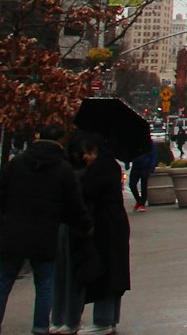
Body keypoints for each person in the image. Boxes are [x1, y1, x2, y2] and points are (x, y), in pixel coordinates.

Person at [0, 124, 89, 335]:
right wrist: (84, 224)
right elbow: (74, 203)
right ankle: (40, 327)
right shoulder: (62, 168)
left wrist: (10, 212)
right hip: (45, 232)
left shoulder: (17, 163)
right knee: (43, 285)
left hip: (14, 231)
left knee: (3, 282)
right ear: (60, 141)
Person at [55, 133, 131, 335]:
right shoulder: (110, 165)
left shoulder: (101, 168)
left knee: (105, 271)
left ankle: (103, 321)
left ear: (95, 151)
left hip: (106, 226)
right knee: (112, 271)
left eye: (87, 153)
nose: (85, 158)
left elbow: (87, 190)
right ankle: (108, 319)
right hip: (114, 224)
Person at [127, 144, 155, 212]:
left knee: (143, 185)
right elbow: (129, 153)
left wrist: (152, 167)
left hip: (145, 167)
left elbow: (154, 156)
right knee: (132, 184)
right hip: (135, 167)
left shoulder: (150, 143)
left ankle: (142, 204)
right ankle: (139, 201)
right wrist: (126, 163)